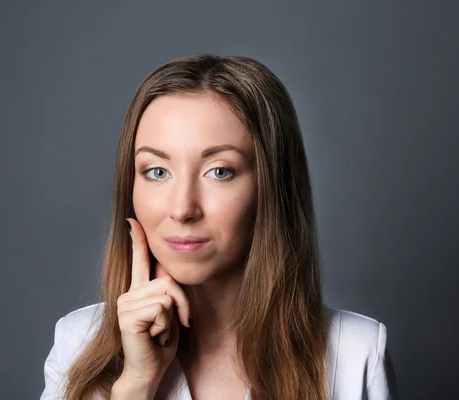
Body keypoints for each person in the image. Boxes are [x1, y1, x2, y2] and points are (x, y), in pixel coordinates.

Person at [40, 54, 398, 400]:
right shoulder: (77, 344)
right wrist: (134, 385)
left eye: (220, 171)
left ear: (271, 188)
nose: (182, 209)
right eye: (157, 172)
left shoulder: (356, 354)